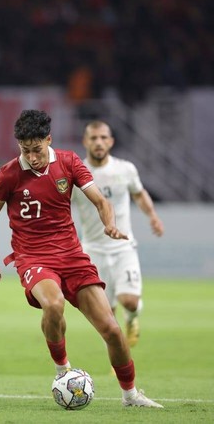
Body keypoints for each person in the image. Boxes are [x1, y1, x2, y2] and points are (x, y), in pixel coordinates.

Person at [0, 109, 163, 408]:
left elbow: (100, 200)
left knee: (113, 332)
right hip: (32, 256)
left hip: (73, 255)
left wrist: (109, 223)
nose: (32, 156)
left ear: (48, 140)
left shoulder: (68, 162)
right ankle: (62, 370)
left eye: (37, 149)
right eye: (25, 150)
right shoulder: (8, 173)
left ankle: (130, 394)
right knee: (53, 304)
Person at [73, 121, 164, 348]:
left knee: (130, 301)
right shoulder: (76, 175)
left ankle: (132, 320)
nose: (99, 142)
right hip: (93, 250)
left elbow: (139, 194)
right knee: (106, 314)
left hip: (124, 248)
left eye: (103, 137)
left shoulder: (125, 169)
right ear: (85, 142)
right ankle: (119, 362)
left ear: (111, 141)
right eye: (93, 138)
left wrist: (152, 216)